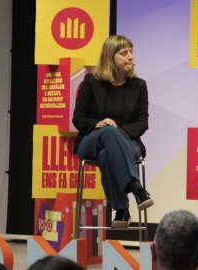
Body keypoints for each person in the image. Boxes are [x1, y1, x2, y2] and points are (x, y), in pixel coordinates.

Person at [73, 35, 153, 228]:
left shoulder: (139, 86)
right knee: (108, 133)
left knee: (107, 153)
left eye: (131, 52)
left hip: (128, 142)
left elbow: (142, 123)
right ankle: (136, 188)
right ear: (110, 57)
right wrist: (99, 124)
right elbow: (78, 118)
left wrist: (117, 130)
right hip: (91, 140)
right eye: (124, 53)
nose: (130, 57)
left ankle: (121, 209)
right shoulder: (91, 82)